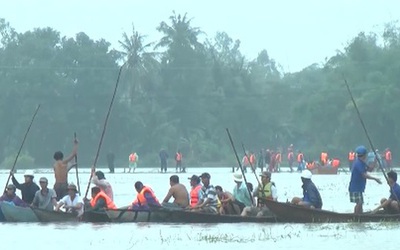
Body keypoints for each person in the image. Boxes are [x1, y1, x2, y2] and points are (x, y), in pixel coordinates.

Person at [349, 145, 382, 214]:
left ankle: (359, 217)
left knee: (360, 203)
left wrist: (375, 160)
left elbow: (370, 169)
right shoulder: (358, 163)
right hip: (355, 187)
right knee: (359, 203)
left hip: (359, 188)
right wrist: (375, 179)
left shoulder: (362, 163)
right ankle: (356, 217)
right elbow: (364, 175)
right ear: (364, 155)